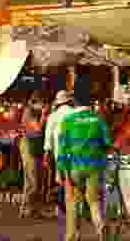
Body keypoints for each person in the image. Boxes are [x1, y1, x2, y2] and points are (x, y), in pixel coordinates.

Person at [56, 89, 111, 241]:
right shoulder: (98, 119)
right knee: (94, 201)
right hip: (94, 166)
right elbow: (108, 143)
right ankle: (100, 224)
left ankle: (73, 236)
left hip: (74, 167)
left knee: (73, 203)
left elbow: (62, 149)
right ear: (92, 102)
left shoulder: (67, 121)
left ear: (74, 102)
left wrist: (62, 171)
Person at [44, 90, 75, 219]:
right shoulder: (75, 113)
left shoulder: (53, 116)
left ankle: (63, 209)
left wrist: (46, 154)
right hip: (75, 152)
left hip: (59, 153)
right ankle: (72, 209)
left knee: (61, 181)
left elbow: (48, 137)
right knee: (73, 182)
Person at [19, 93, 45, 218]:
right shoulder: (29, 112)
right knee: (33, 180)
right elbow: (38, 129)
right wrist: (44, 115)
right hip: (29, 146)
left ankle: (26, 208)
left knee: (30, 180)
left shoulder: (31, 112)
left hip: (32, 146)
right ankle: (29, 209)